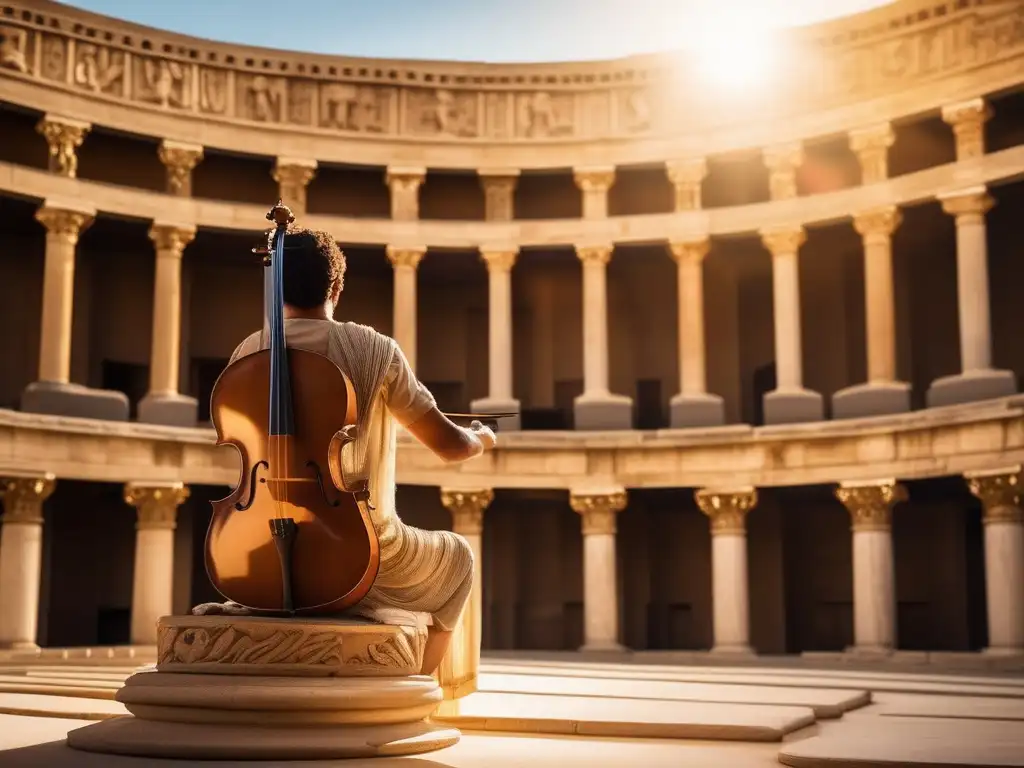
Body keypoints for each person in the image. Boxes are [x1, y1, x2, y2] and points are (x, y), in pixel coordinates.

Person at [196, 228, 496, 677]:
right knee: (459, 559)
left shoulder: (249, 351)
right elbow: (450, 446)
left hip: (252, 555)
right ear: (336, 286)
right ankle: (416, 690)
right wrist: (481, 438)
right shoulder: (374, 350)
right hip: (358, 553)